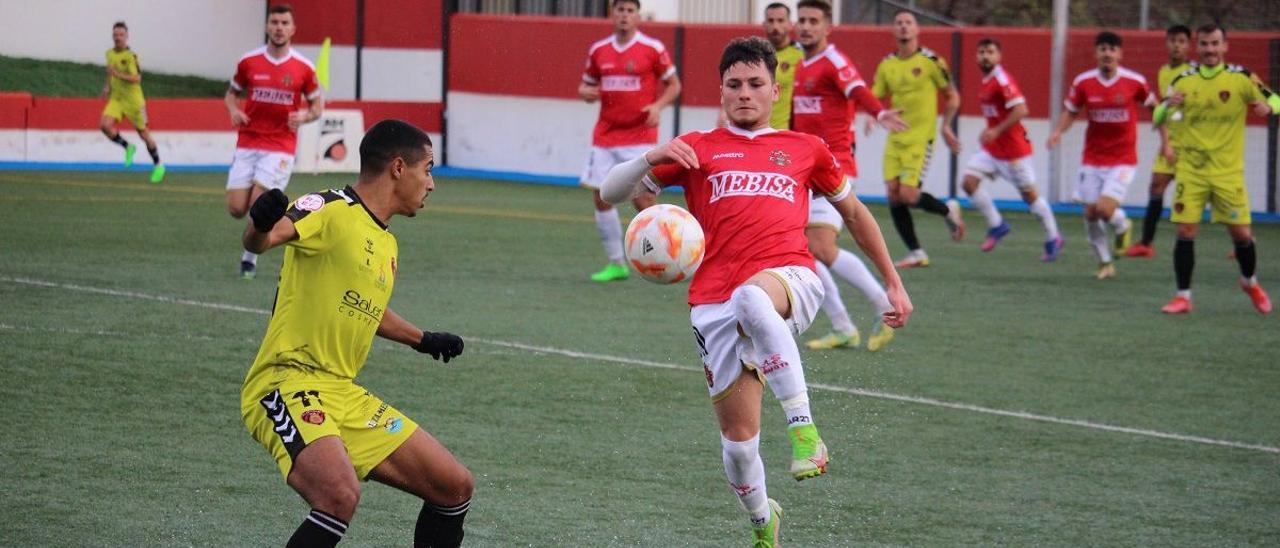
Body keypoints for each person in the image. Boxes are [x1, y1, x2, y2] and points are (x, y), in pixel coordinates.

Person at [600, 36, 911, 547]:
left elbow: (854, 214)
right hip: (711, 302)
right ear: (721, 90)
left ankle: (805, 431)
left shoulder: (805, 149)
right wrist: (651, 158)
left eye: (755, 84)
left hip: (789, 278)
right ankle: (764, 522)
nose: (745, 93)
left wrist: (892, 284)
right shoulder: (698, 148)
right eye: (734, 84)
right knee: (740, 447)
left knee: (753, 298)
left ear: (774, 89)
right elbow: (614, 191)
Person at [240, 119, 473, 547]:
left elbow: (366, 308)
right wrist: (257, 224)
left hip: (341, 392)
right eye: (429, 169)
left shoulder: (387, 243)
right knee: (339, 496)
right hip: (285, 382)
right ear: (399, 168)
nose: (432, 183)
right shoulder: (329, 208)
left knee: (454, 486)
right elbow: (263, 240)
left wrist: (423, 339)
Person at [791, 0, 909, 351]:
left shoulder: (833, 61)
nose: (806, 26)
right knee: (802, 251)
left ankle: (881, 302)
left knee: (821, 248)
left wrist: (879, 111)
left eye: (814, 21)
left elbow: (857, 89)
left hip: (834, 166)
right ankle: (842, 325)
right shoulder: (801, 65)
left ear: (828, 27)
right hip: (806, 169)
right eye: (803, 20)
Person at [1154, 24, 1278, 314]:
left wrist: (1270, 108)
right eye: (1205, 44)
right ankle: (1183, 296)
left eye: (1215, 44)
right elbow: (1159, 114)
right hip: (1191, 171)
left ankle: (1249, 282)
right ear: (1197, 48)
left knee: (1242, 236)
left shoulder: (1242, 78)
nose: (1210, 49)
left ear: (1225, 46)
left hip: (1227, 172)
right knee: (1185, 231)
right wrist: (1167, 105)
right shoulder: (1183, 80)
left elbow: (1275, 99)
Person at [578, 0, 681, 282]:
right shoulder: (599, 50)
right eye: (620, 10)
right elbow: (586, 85)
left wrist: (658, 106)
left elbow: (674, 85)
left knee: (643, 198)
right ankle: (616, 263)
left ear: (638, 15)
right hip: (605, 134)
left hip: (639, 135)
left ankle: (674, 253)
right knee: (601, 196)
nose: (624, 15)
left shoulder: (652, 48)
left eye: (630, 11)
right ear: (613, 14)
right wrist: (586, 92)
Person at [225, 4, 324, 279]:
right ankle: (252, 246)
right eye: (275, 22)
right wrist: (234, 111)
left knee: (260, 205)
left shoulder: (303, 67)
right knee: (236, 208)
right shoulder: (249, 62)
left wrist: (304, 117)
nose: (279, 27)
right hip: (248, 141)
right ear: (267, 27)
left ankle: (249, 259)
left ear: (292, 29)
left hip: (280, 146)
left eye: (284, 23)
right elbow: (230, 95)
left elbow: (317, 106)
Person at [1048, 31, 1150, 280]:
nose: (1107, 53)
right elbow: (1071, 111)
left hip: (1123, 158)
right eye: (1103, 49)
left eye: (1112, 49)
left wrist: (1168, 138)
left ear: (1119, 54)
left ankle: (1122, 225)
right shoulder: (1083, 82)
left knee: (1105, 209)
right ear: (1096, 54)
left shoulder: (1134, 82)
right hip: (1092, 158)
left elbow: (1155, 107)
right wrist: (1058, 132)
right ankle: (1105, 262)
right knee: (1090, 213)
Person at [871, 9, 964, 268]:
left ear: (917, 29)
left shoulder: (931, 61)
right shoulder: (887, 64)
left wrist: (946, 126)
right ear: (893, 30)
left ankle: (948, 211)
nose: (903, 27)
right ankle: (916, 252)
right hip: (895, 138)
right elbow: (875, 96)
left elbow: (953, 96)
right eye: (898, 22)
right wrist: (873, 114)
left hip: (921, 138)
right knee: (893, 194)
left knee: (909, 195)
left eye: (908, 23)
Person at [960, 38, 1063, 260]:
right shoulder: (987, 80)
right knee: (969, 182)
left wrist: (996, 130)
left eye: (990, 52)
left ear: (999, 56)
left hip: (1015, 151)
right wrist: (992, 133)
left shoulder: (1001, 79)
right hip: (993, 149)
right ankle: (997, 225)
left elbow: (1021, 109)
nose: (985, 56)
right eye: (981, 52)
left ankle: (1053, 237)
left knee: (1030, 198)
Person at [1126, 25, 1196, 258]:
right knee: (1156, 186)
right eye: (1173, 40)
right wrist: (1164, 138)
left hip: (1193, 144)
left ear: (1189, 46)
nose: (1177, 45)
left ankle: (1244, 237)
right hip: (1171, 141)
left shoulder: (1194, 72)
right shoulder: (1163, 71)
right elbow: (1164, 107)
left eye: (1182, 41)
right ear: (1166, 43)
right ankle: (1146, 243)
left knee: (1210, 192)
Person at [99, 21, 164, 183]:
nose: (117, 38)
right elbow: (110, 71)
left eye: (121, 35)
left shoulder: (131, 56)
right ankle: (128, 147)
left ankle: (158, 165)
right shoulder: (109, 53)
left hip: (134, 102)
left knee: (144, 135)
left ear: (127, 37)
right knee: (105, 125)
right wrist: (107, 86)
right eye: (115, 35)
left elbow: (137, 78)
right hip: (117, 99)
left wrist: (118, 74)